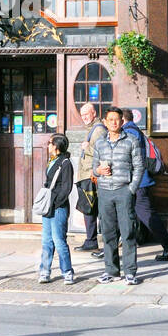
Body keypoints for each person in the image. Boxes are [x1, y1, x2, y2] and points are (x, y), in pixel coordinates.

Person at [92, 107, 145, 285]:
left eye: (117, 119)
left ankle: (130, 272)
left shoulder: (131, 141)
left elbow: (139, 166)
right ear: (105, 123)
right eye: (110, 119)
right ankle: (111, 271)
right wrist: (98, 171)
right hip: (105, 191)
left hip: (124, 190)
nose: (114, 122)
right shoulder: (99, 143)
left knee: (128, 231)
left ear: (122, 122)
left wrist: (131, 189)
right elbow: (94, 168)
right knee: (108, 233)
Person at [123, 109, 168, 261]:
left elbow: (131, 158)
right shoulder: (135, 131)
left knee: (148, 216)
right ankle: (113, 249)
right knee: (122, 214)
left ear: (122, 119)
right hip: (138, 181)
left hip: (138, 182)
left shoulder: (129, 132)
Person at [38, 135, 75, 285]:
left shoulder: (65, 163)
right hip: (48, 207)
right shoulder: (52, 161)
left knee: (59, 240)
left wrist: (56, 203)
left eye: (50, 143)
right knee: (46, 240)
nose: (48, 146)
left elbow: (66, 188)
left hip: (58, 207)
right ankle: (45, 271)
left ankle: (67, 272)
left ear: (56, 146)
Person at [74, 102, 105, 253]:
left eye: (86, 114)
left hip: (91, 174)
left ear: (94, 113)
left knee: (90, 209)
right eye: (82, 115)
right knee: (89, 209)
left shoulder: (98, 130)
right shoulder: (92, 129)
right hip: (87, 174)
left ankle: (91, 240)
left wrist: (88, 148)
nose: (84, 117)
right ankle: (91, 240)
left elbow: (103, 152)